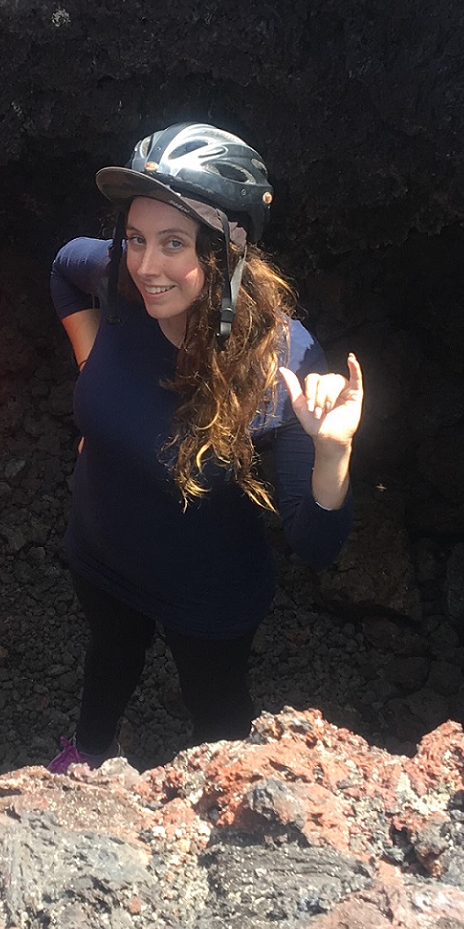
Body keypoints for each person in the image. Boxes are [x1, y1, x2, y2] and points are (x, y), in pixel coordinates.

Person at [46, 122, 361, 770]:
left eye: (172, 244)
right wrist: (94, 371)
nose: (145, 264)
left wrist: (331, 451)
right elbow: (61, 269)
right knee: (110, 658)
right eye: (135, 238)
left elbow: (315, 543)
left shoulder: (283, 358)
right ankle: (92, 748)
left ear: (225, 252)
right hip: (100, 554)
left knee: (216, 709)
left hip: (207, 592)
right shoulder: (117, 280)